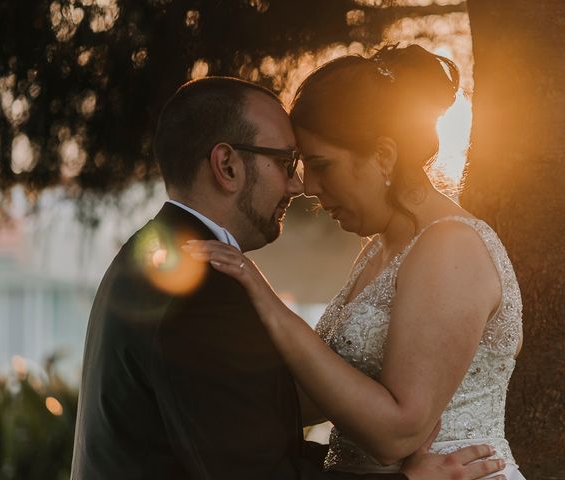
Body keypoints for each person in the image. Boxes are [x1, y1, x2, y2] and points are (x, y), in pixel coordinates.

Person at [70, 75, 507, 480]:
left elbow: (249, 429)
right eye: (286, 163)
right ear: (227, 165)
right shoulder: (202, 286)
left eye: (314, 164)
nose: (300, 187)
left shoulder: (159, 254)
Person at [185, 45, 525, 479]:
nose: (308, 187)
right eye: (303, 166)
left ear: (383, 156)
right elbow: (316, 397)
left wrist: (268, 303)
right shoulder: (380, 251)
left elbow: (395, 435)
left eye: (323, 165)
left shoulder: (451, 248)